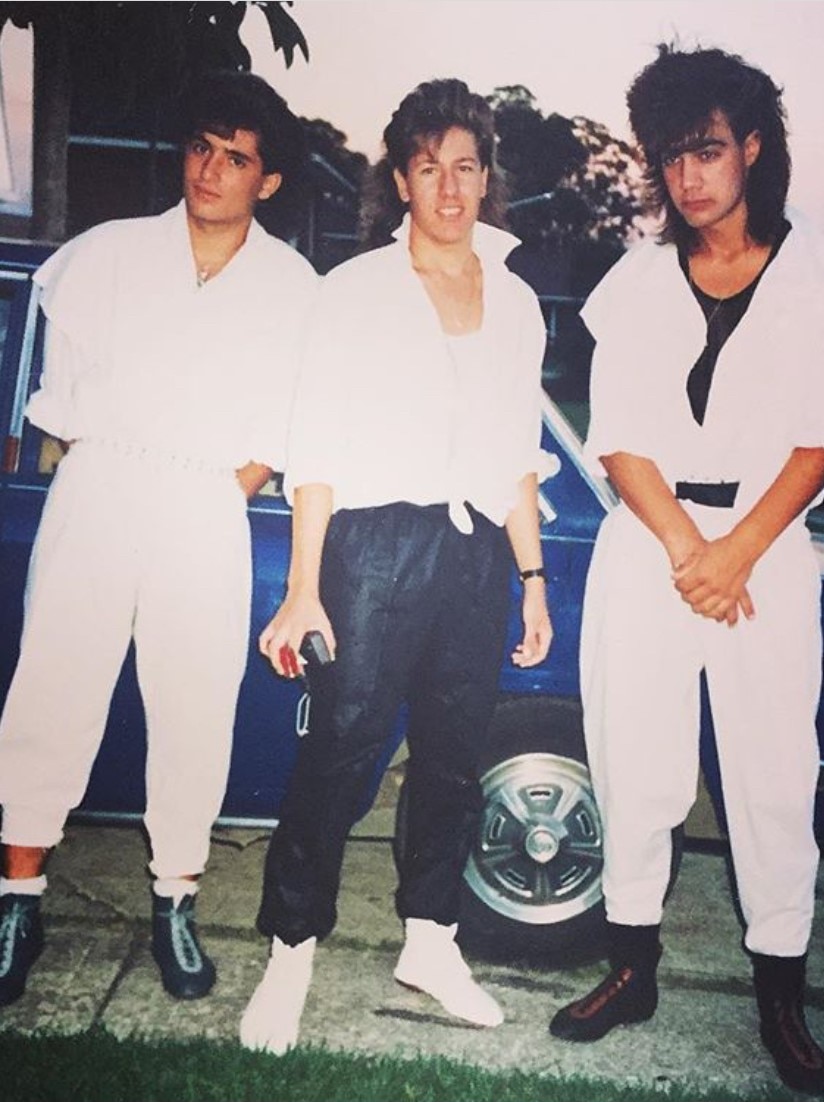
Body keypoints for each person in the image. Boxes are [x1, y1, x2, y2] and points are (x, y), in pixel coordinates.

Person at [239, 78, 552, 1055]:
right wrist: (301, 590)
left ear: (484, 176)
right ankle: (291, 946)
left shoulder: (516, 298)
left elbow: (514, 452)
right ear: (402, 178)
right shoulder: (353, 292)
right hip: (371, 549)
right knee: (339, 751)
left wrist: (531, 579)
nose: (449, 187)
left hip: (475, 555)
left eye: (465, 165)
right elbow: (316, 450)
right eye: (429, 166)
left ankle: (430, 936)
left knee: (453, 760)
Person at [0, 71, 317, 1006]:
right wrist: (104, 473)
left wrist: (231, 485)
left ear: (268, 182)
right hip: (101, 485)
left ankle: (174, 900)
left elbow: (289, 419)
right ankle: (19, 898)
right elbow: (57, 403)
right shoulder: (105, 254)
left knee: (192, 705)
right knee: (52, 685)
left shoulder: (293, 288)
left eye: (237, 158)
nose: (211, 169)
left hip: (203, 505)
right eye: (203, 146)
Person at [548, 44, 824, 1095]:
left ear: (750, 146)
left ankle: (779, 998)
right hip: (650, 547)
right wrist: (684, 552)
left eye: (706, 149)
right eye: (671, 157)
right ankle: (631, 968)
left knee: (770, 774)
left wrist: (734, 552)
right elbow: (617, 438)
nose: (690, 176)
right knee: (634, 757)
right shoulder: (632, 284)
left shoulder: (809, 280)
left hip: (764, 552)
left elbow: (813, 441)